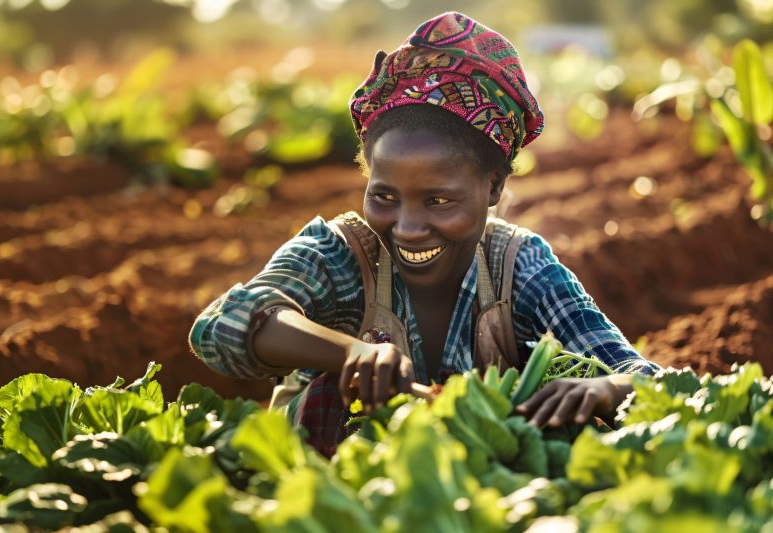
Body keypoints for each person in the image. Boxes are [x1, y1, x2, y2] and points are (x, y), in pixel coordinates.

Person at [189, 12, 659, 455]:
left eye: (439, 201)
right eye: (385, 198)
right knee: (331, 401)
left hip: (480, 502)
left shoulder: (520, 266)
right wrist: (352, 353)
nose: (408, 229)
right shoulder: (340, 254)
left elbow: (646, 379)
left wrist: (605, 388)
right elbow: (223, 326)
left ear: (492, 187)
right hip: (327, 501)